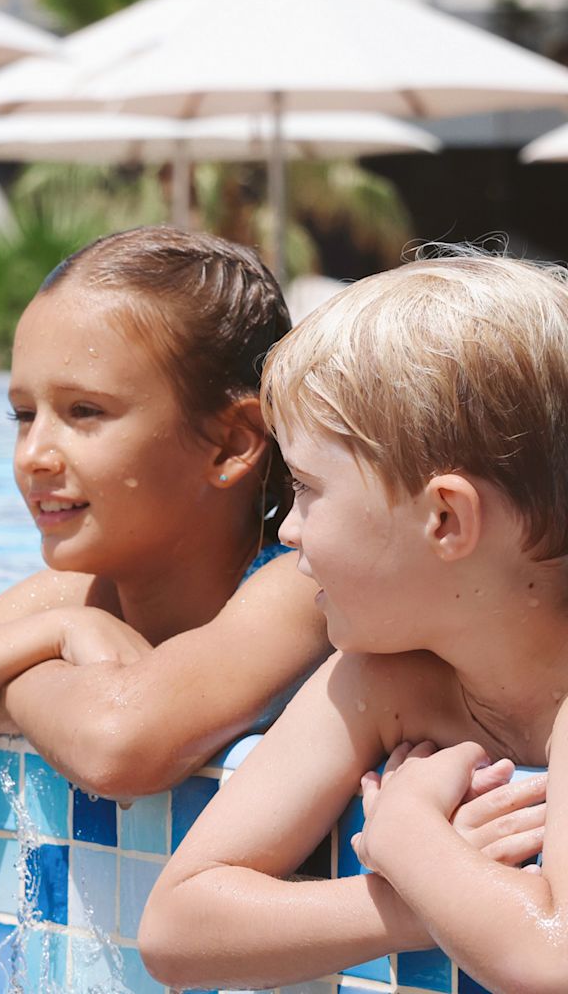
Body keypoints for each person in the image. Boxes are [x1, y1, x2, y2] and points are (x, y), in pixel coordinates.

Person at [138, 247, 564, 994]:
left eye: (306, 488)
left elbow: (551, 960)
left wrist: (403, 834)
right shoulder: (378, 679)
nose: (289, 530)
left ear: (444, 519)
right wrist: (409, 903)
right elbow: (176, 931)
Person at [0, 226, 332, 795]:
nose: (33, 456)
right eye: (24, 415)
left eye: (84, 411)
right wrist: (56, 631)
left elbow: (118, 748)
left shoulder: (306, 588)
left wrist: (11, 680)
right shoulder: (77, 599)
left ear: (231, 444)